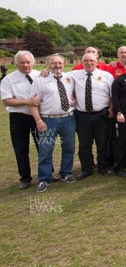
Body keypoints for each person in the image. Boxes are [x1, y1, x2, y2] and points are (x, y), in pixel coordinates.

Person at [29, 54, 77, 193]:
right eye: (53, 63)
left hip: (68, 118)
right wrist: (38, 120)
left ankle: (66, 173)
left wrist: (72, 100)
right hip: (48, 120)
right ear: (47, 64)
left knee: (69, 147)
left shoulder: (69, 78)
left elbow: (73, 95)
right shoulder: (39, 81)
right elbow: (32, 103)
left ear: (63, 64)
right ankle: (44, 178)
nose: (57, 66)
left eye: (59, 63)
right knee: (45, 150)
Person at [1, 51, 41, 189]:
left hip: (38, 117)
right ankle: (25, 178)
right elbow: (6, 101)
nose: (25, 65)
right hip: (19, 118)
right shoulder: (8, 79)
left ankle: (46, 174)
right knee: (21, 149)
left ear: (33, 62)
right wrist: (28, 101)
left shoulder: (40, 75)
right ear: (16, 64)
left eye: (28, 62)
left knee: (43, 146)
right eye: (22, 62)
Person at [71, 53, 114, 179]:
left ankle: (103, 167)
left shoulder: (106, 76)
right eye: (86, 61)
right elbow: (58, 74)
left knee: (102, 143)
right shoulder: (74, 74)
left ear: (97, 61)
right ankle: (87, 168)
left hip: (101, 114)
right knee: (84, 144)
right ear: (82, 62)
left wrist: (111, 109)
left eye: (91, 60)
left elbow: (112, 95)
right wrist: (44, 72)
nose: (89, 63)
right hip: (82, 115)